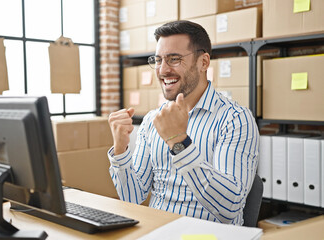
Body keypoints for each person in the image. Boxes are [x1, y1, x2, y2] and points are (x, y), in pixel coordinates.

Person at [107, 20, 259, 225]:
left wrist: (179, 142)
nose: (163, 70)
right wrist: (120, 149)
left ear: (203, 62)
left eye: (174, 59)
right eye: (159, 60)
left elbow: (230, 207)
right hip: (158, 231)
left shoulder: (235, 119)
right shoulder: (153, 120)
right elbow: (133, 197)